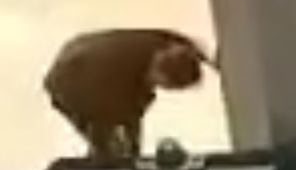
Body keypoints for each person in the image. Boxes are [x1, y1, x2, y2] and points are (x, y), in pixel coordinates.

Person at [43, 28, 212, 161]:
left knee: (120, 136)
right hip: (69, 82)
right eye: (164, 85)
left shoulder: (155, 44)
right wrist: (126, 150)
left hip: (82, 49)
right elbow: (129, 119)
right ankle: (103, 157)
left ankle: (108, 153)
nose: (158, 88)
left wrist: (209, 59)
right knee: (109, 142)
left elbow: (176, 38)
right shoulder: (112, 84)